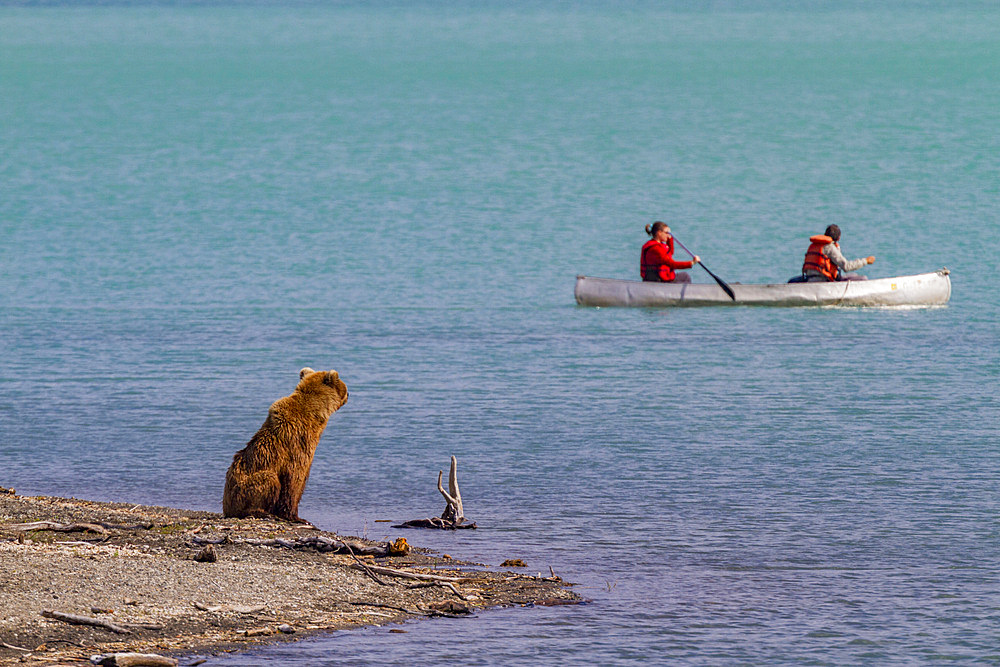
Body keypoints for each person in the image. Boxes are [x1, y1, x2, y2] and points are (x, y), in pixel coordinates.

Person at [797, 224, 875, 282]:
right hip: (824, 281)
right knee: (863, 278)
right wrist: (866, 261)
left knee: (854, 276)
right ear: (838, 238)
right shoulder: (830, 247)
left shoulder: (813, 245)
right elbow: (846, 267)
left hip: (809, 279)